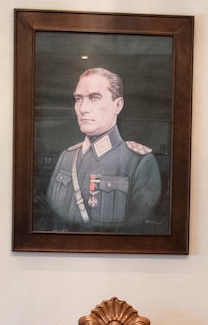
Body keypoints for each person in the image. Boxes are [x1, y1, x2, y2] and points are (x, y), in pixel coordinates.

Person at [45, 67, 162, 230]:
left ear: (118, 105)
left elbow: (137, 233)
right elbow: (51, 218)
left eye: (94, 98)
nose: (83, 108)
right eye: (78, 99)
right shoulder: (67, 157)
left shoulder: (138, 162)